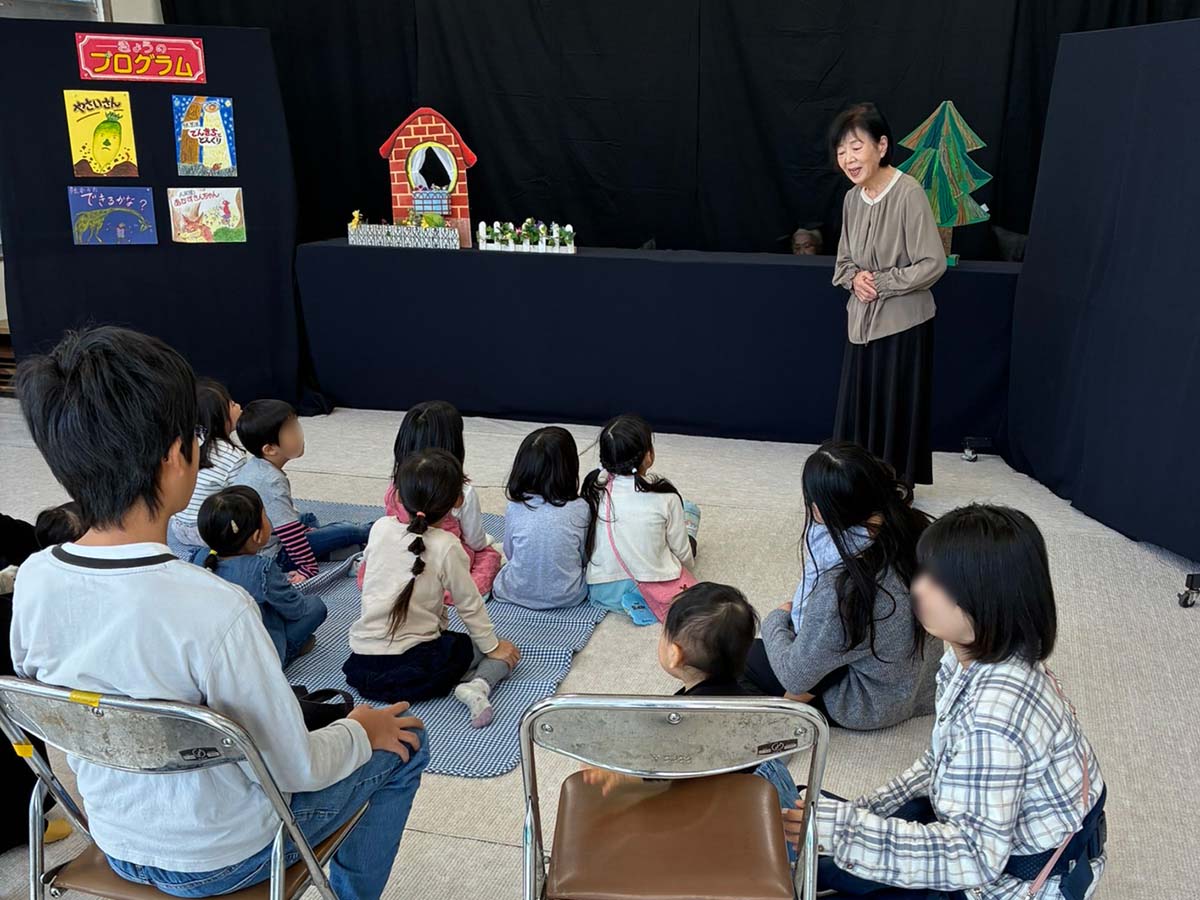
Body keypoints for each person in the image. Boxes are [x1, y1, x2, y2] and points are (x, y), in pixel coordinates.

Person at [11, 326, 427, 900]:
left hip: (113, 837)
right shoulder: (216, 608)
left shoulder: (34, 580)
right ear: (175, 457)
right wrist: (361, 729)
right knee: (405, 741)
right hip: (227, 855)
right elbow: (296, 769)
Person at [783, 505, 1107, 899]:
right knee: (814, 831)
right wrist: (865, 812)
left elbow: (975, 859)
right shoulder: (969, 656)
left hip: (1008, 883)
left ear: (988, 600)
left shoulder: (995, 719)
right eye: (924, 573)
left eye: (940, 584)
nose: (918, 589)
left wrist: (846, 829)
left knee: (824, 852)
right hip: (982, 833)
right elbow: (940, 760)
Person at [743, 442, 939, 730]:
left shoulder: (843, 588)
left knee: (742, 653)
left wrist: (775, 619)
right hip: (922, 684)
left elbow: (795, 675)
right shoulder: (917, 530)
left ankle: (776, 724)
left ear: (818, 511)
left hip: (871, 704)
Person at [582, 583, 798, 821]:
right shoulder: (753, 703)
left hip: (743, 818)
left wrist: (622, 775)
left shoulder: (684, 719)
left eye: (663, 633)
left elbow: (659, 768)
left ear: (674, 654)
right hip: (777, 797)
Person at [346, 449, 521, 728]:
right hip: (420, 669)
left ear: (398, 496)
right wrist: (492, 646)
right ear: (458, 501)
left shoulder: (379, 528)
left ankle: (465, 676)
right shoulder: (447, 545)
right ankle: (478, 685)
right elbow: (470, 605)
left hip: (364, 669)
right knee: (502, 650)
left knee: (455, 647)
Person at [829, 102, 947, 487]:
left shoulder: (908, 193)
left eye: (856, 147)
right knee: (861, 407)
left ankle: (896, 484)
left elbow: (932, 263)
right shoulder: (852, 199)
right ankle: (860, 482)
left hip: (903, 324)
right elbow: (843, 262)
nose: (848, 159)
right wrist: (855, 280)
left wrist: (880, 282)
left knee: (895, 406)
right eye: (841, 151)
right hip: (860, 323)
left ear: (881, 146)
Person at [363, 400, 502, 601]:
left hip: (398, 564)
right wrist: (487, 541)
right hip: (441, 567)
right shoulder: (461, 492)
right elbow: (475, 541)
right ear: (454, 446)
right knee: (489, 555)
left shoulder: (397, 486)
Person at [232, 399, 371, 582]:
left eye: (297, 425)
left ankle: (343, 549)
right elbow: (289, 531)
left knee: (307, 519)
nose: (300, 434)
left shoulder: (256, 466)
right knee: (347, 530)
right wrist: (307, 568)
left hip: (269, 538)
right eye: (291, 431)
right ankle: (378, 530)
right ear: (270, 449)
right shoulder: (271, 481)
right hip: (276, 554)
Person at [581, 414, 701, 623]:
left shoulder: (594, 489)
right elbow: (682, 554)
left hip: (603, 590)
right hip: (656, 587)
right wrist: (686, 567)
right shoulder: (666, 497)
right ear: (648, 456)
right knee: (689, 513)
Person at [194, 486, 328, 667]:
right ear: (257, 536)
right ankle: (288, 652)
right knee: (315, 606)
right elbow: (296, 609)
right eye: (265, 516)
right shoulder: (261, 569)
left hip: (213, 655)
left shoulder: (200, 558)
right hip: (257, 658)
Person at [491, 426, 591, 610]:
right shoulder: (581, 508)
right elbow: (584, 556)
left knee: (490, 557)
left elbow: (510, 553)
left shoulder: (515, 506)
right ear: (569, 468)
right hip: (568, 596)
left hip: (514, 592)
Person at [167, 378, 245, 561]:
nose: (238, 406)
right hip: (207, 531)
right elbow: (240, 499)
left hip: (178, 526)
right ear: (219, 416)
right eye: (232, 404)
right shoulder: (232, 456)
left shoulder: (186, 444)